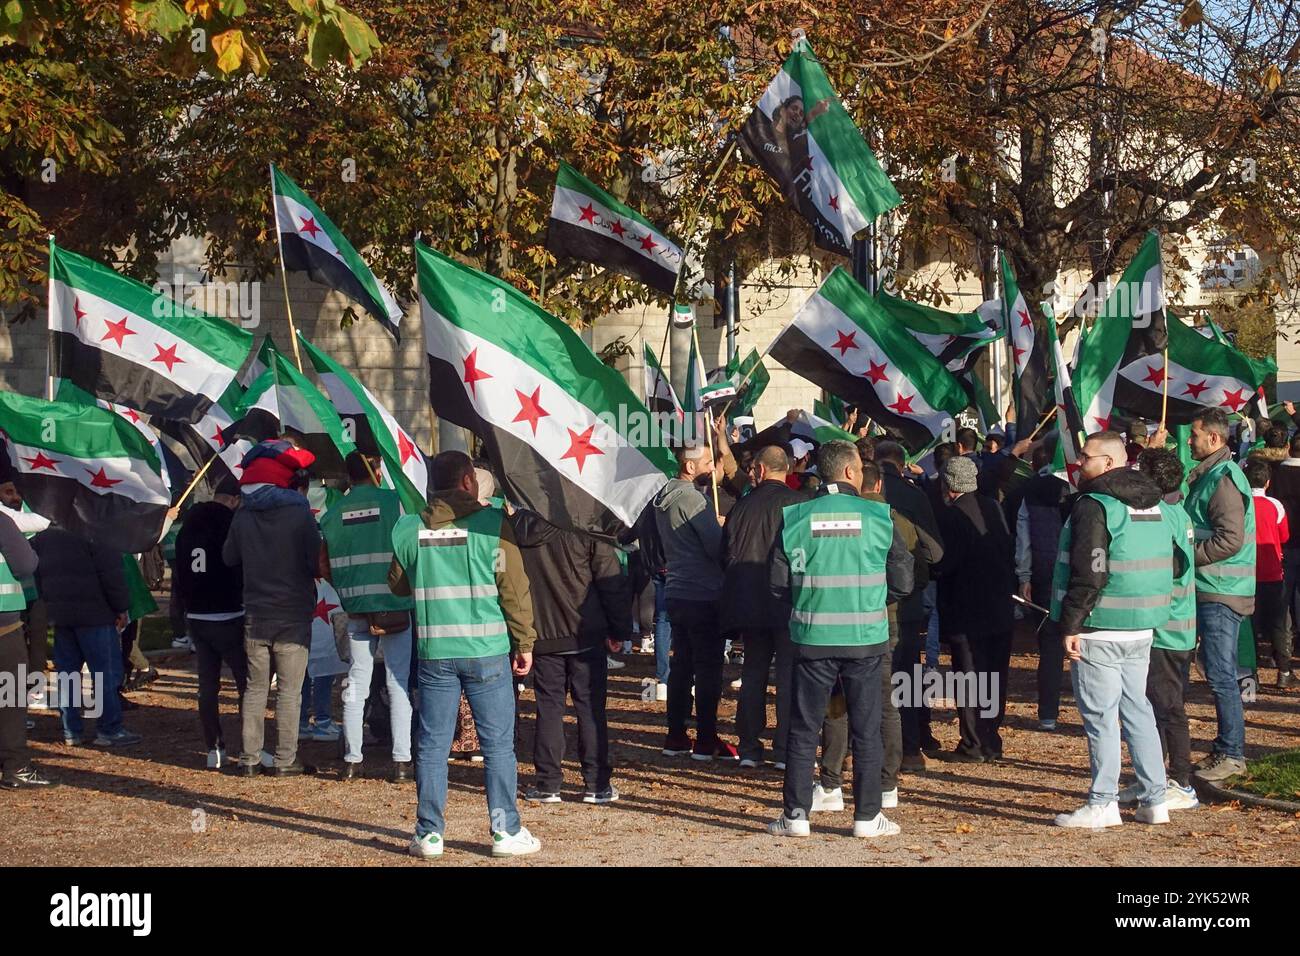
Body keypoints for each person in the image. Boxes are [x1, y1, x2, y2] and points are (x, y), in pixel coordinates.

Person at [391, 450, 540, 859]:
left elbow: (398, 586)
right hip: (487, 651)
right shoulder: (493, 525)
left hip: (435, 652)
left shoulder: (408, 528)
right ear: (469, 482)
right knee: (497, 746)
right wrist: (524, 642)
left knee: (433, 746)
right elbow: (513, 590)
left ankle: (429, 834)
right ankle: (506, 830)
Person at [767, 443, 913, 839]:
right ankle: (867, 817)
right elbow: (902, 582)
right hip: (865, 639)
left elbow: (778, 584)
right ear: (851, 472)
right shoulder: (880, 516)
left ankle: (796, 816)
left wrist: (812, 601)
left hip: (813, 637)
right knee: (866, 729)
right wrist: (865, 600)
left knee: (803, 729)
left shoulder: (796, 517)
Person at [1051, 431, 1172, 828]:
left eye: (1086, 457)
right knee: (1138, 709)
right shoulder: (1156, 501)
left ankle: (1102, 802)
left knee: (1100, 716)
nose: (1079, 463)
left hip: (1100, 625)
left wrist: (1071, 623)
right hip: (1143, 624)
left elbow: (1090, 572)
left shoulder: (1094, 505)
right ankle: (1155, 798)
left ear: (1107, 463)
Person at [513, 508, 630, 804]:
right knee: (588, 708)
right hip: (582, 631)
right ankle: (596, 783)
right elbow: (611, 581)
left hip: (546, 632)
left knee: (550, 707)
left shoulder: (520, 528)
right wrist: (619, 629)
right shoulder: (585, 525)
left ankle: (550, 782)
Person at [222, 438, 321, 777]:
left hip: (255, 610)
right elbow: (314, 561)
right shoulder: (299, 514)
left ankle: (249, 759)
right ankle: (284, 760)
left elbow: (228, 557)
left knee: (254, 688)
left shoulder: (243, 515)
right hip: (293, 611)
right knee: (290, 692)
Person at [319, 452, 415, 782]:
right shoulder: (396, 504)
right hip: (396, 607)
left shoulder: (332, 515)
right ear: (376, 472)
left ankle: (351, 759)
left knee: (356, 682)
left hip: (356, 608)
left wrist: (349, 590)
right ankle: (402, 761)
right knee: (398, 682)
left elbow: (324, 566)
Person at [651, 441, 736, 761]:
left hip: (677, 591)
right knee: (708, 668)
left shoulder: (665, 498)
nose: (714, 470)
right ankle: (705, 738)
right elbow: (716, 547)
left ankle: (675, 734)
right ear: (690, 467)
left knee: (681, 666)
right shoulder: (692, 499)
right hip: (703, 593)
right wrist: (722, 528)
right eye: (708, 463)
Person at [721, 444, 804, 769]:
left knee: (753, 674)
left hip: (751, 604)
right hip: (787, 603)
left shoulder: (742, 507)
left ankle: (750, 747)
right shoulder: (799, 506)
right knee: (787, 676)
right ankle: (784, 749)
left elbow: (725, 553)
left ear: (762, 469)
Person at [1185, 408, 1256, 782]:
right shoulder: (1212, 475)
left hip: (1220, 590)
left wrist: (1186, 558)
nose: (1188, 441)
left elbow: (1230, 538)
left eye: (1193, 435)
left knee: (1221, 675)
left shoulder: (1223, 479)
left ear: (1213, 439)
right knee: (1218, 672)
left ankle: (1232, 753)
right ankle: (1226, 749)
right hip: (1216, 589)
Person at [1130, 447, 1200, 811]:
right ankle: (1152, 776)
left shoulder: (1164, 516)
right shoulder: (1176, 510)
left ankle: (1182, 783)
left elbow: (1170, 568)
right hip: (1172, 626)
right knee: (1153, 707)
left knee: (1169, 707)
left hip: (1166, 629)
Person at [933, 456, 1015, 762]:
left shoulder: (952, 517)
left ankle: (973, 743)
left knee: (968, 678)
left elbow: (946, 562)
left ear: (949, 486)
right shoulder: (992, 508)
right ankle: (991, 739)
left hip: (967, 609)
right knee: (995, 676)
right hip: (999, 605)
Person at [875, 440, 943, 771]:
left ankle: (851, 750)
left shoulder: (855, 498)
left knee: (857, 679)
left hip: (862, 604)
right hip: (905, 605)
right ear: (901, 464)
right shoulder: (913, 496)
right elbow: (936, 551)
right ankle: (911, 750)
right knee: (907, 679)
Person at [173, 476, 248, 769]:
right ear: (235, 500)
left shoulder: (187, 527)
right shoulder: (228, 524)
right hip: (228, 612)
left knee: (207, 685)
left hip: (196, 614)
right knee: (246, 684)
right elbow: (236, 563)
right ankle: (249, 746)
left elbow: (178, 572)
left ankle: (212, 747)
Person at [1014, 443, 1071, 729]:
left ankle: (1048, 713)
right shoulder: (1080, 489)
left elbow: (1023, 536)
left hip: (1044, 574)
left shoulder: (1030, 490)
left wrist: (1024, 576)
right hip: (1080, 575)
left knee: (1049, 646)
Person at [0, 508, 52, 787]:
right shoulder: (2, 521)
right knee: (9, 697)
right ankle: (15, 766)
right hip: (3, 624)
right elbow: (26, 564)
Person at [1244, 458, 1289, 681]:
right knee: (1278, 624)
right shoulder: (1275, 506)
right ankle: (1284, 671)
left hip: (1246, 575)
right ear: (1268, 483)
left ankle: (1252, 675)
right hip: (1272, 573)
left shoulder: (1240, 504)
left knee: (1250, 626)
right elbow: (1284, 536)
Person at [1269, 431, 1300, 688]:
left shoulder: (1276, 474)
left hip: (1283, 546)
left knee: (1284, 606)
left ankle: (1283, 661)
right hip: (1287, 544)